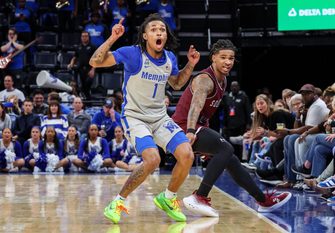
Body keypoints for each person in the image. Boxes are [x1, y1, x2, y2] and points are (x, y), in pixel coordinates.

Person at [89, 14, 200, 223]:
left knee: (187, 155)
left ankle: (168, 198)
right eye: (154, 29)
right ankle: (118, 202)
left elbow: (176, 84)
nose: (159, 32)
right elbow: (94, 61)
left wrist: (190, 65)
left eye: (163, 29)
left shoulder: (169, 58)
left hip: (159, 116)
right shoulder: (133, 54)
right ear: (145, 35)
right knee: (153, 159)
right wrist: (112, 38)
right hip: (135, 116)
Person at [171, 39, 292, 216]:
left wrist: (206, 139)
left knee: (231, 159)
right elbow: (194, 107)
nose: (228, 62)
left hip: (196, 125)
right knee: (226, 147)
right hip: (183, 126)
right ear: (213, 58)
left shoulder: (224, 80)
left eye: (231, 58)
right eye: (223, 57)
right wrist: (191, 132)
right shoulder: (205, 79)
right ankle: (199, 196)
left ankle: (262, 200)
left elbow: (204, 114)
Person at [68, 31, 96, 99]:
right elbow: (75, 57)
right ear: (81, 37)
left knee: (86, 87)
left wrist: (93, 69)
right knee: (78, 86)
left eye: (86, 36)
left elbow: (96, 59)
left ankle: (88, 102)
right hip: (79, 69)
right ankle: (81, 100)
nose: (84, 38)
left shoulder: (93, 47)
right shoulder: (78, 47)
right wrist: (71, 63)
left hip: (89, 69)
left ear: (89, 37)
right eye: (83, 36)